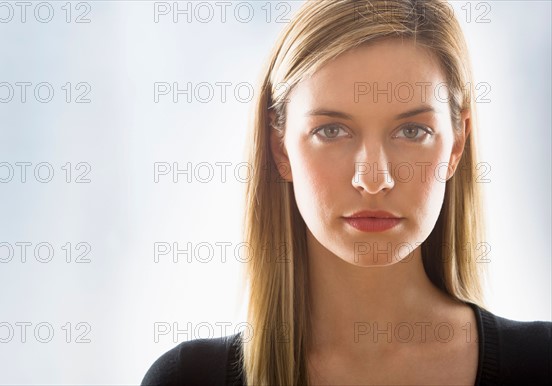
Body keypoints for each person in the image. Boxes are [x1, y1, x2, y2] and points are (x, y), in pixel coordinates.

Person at [141, 0, 552, 384]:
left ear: (457, 143)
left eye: (412, 131)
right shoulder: (189, 378)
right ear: (279, 147)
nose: (373, 179)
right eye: (331, 131)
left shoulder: (542, 364)